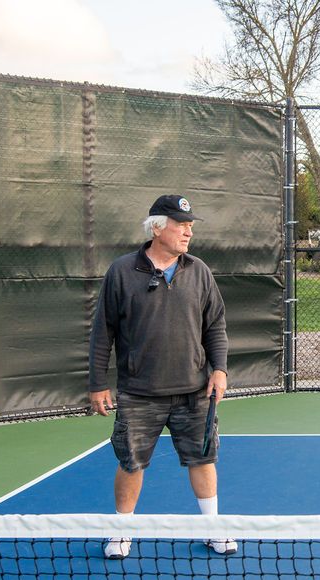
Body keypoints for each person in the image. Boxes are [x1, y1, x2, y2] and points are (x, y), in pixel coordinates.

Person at [89, 194, 236, 559]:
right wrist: (97, 383)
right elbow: (102, 332)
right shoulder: (121, 272)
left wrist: (219, 369)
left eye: (190, 225)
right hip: (139, 393)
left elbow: (215, 325)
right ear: (158, 227)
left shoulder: (199, 270)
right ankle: (122, 532)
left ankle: (212, 529)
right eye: (180, 224)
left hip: (194, 392)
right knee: (131, 462)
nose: (188, 231)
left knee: (203, 460)